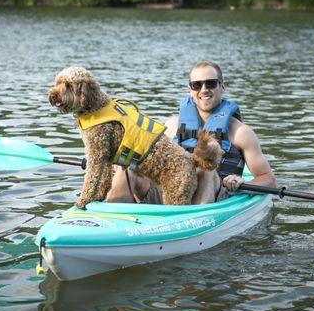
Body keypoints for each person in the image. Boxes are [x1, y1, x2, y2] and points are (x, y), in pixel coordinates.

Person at [105, 61, 276, 205]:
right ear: (190, 90)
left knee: (206, 168)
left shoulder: (240, 132)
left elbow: (268, 179)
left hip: (215, 198)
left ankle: (195, 224)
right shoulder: (172, 125)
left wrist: (243, 182)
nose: (203, 90)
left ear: (222, 86)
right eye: (197, 85)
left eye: (210, 83)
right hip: (171, 190)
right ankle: (112, 220)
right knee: (128, 167)